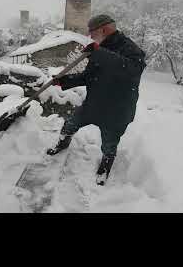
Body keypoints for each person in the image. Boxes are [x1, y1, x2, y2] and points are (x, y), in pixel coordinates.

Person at [46, 14, 146, 185]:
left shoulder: (130, 49)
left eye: (92, 33)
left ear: (104, 30)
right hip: (94, 104)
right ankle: (62, 144)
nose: (90, 37)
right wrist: (64, 81)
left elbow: (132, 70)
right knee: (70, 123)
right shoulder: (99, 49)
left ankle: (104, 169)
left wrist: (99, 52)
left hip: (117, 110)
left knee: (109, 144)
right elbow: (89, 76)